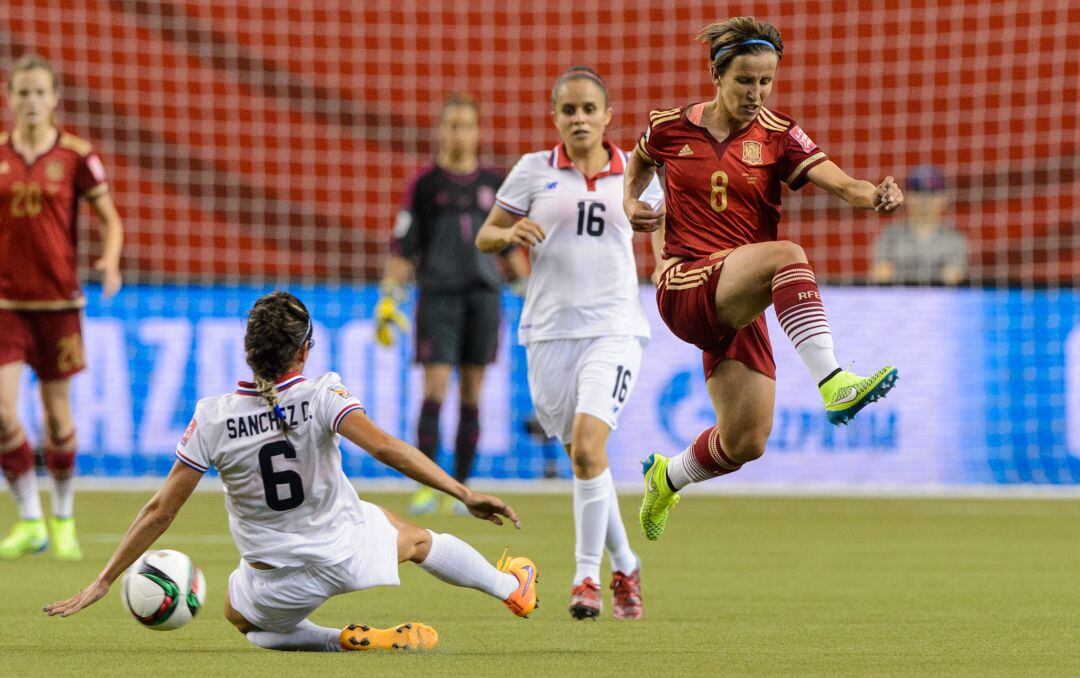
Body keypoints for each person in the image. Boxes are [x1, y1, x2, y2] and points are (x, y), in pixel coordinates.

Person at [43, 292, 537, 652]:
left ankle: (339, 641)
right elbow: (387, 449)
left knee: (241, 619)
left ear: (248, 352)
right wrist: (462, 492)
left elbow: (160, 511)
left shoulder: (212, 417)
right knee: (418, 540)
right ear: (304, 350)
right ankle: (510, 589)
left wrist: (104, 580)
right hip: (345, 551)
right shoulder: (322, 393)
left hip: (275, 583)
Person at [622, 17, 904, 540]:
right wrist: (629, 201)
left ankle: (667, 477)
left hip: (736, 299)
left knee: (746, 441)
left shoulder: (779, 134)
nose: (756, 93)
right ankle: (834, 382)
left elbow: (844, 185)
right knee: (787, 255)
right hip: (684, 284)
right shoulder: (669, 127)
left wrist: (877, 196)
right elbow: (639, 161)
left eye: (766, 81)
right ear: (716, 75)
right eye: (745, 80)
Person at [476, 66, 662, 620]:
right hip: (549, 333)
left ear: (608, 116)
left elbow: (665, 229)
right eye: (569, 110)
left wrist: (666, 260)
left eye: (589, 109)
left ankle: (586, 578)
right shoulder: (533, 170)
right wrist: (509, 233)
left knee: (586, 447)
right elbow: (486, 235)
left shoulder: (636, 170)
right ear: (555, 117)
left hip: (614, 329)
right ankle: (626, 564)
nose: (579, 118)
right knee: (586, 459)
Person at [375, 93, 527, 516]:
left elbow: (510, 246)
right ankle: (427, 486)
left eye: (466, 125)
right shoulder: (426, 186)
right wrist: (388, 297)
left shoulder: (493, 184)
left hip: (484, 296)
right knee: (435, 389)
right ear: (441, 130)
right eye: (452, 124)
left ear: (478, 132)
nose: (459, 133)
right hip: (438, 296)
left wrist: (530, 290)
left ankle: (462, 487)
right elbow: (404, 247)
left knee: (473, 393)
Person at [0, 54, 124, 560]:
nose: (31, 101)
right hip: (6, 303)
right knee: (2, 412)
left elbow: (110, 219)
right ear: (10, 99)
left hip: (58, 304)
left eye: (39, 92)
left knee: (56, 419)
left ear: (54, 99)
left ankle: (64, 516)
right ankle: (31, 519)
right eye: (22, 92)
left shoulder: (76, 155)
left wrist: (110, 260)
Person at [871, 165, 966, 284]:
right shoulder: (890, 235)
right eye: (918, 192)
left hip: (938, 295)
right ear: (906, 196)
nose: (924, 199)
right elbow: (881, 275)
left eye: (931, 193)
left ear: (943, 198)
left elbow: (953, 278)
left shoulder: (954, 239)